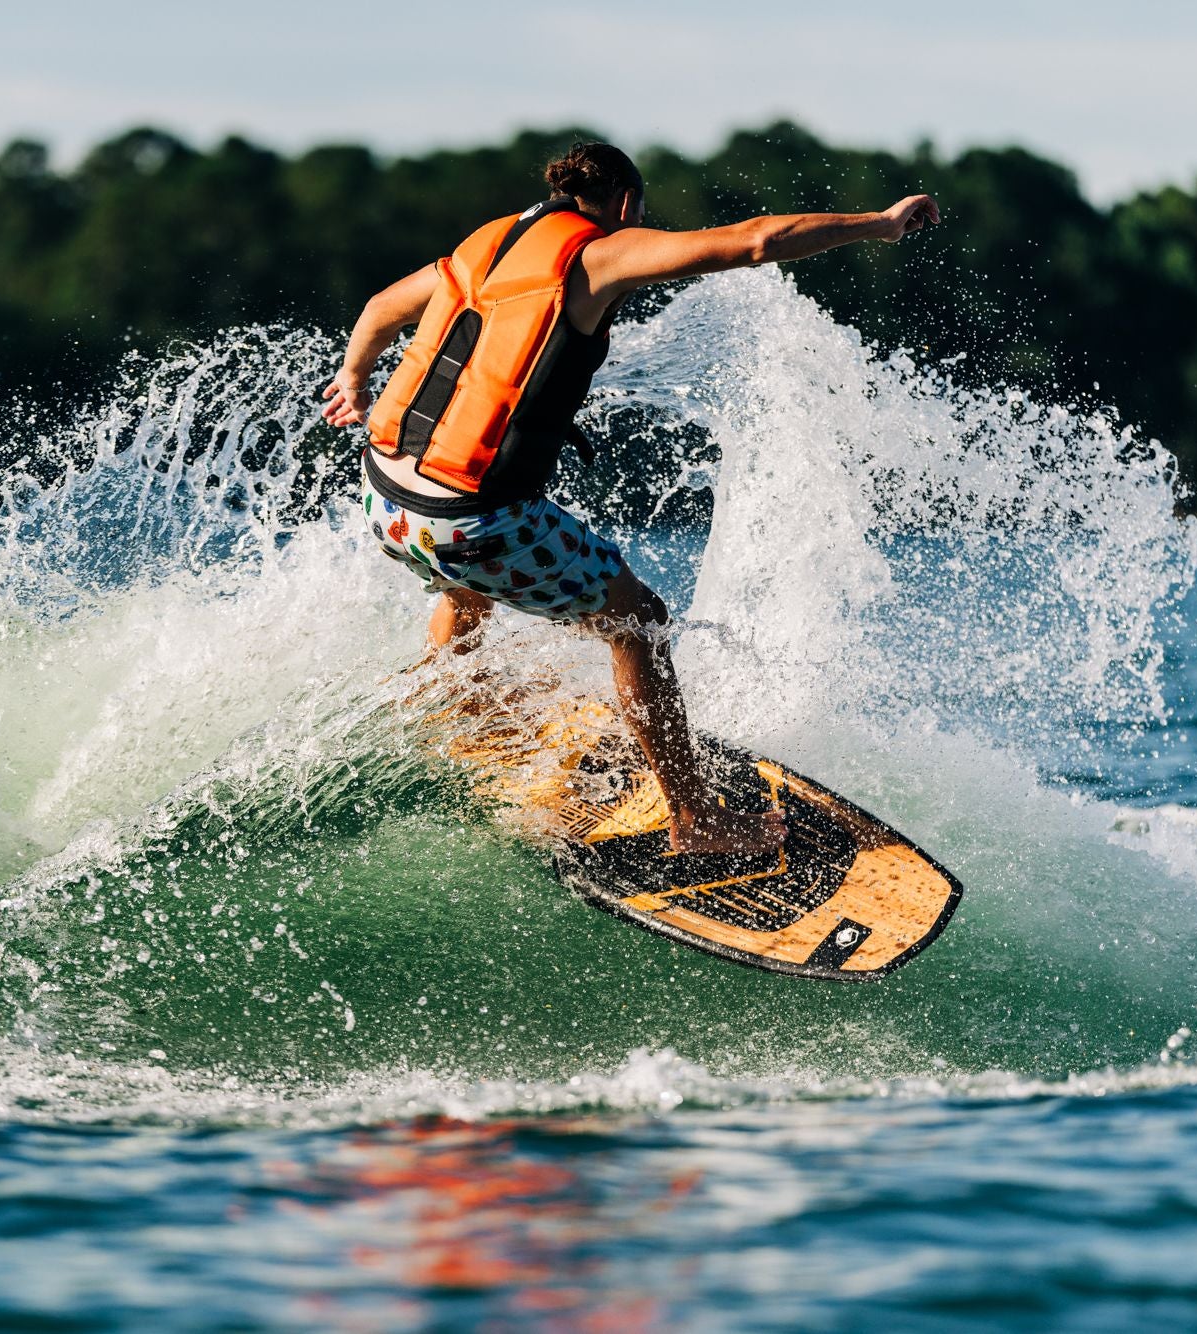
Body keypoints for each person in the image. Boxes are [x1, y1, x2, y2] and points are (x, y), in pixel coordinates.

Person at [321, 142, 939, 856]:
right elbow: (757, 240)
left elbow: (378, 308)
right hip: (467, 523)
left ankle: (454, 696)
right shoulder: (594, 256)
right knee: (639, 620)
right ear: (621, 204)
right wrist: (879, 223)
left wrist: (355, 379)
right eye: (638, 216)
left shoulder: (482, 245)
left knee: (468, 585)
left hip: (386, 504)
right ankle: (697, 820)